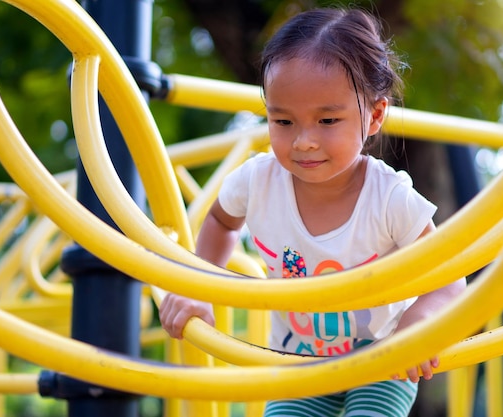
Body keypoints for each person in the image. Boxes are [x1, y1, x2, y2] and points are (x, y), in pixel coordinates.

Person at [160, 7, 466, 417]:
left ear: (374, 115)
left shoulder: (389, 197)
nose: (304, 141)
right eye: (283, 121)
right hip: (297, 361)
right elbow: (219, 220)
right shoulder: (257, 181)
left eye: (327, 120)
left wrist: (420, 322)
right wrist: (198, 285)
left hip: (382, 360)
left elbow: (449, 276)